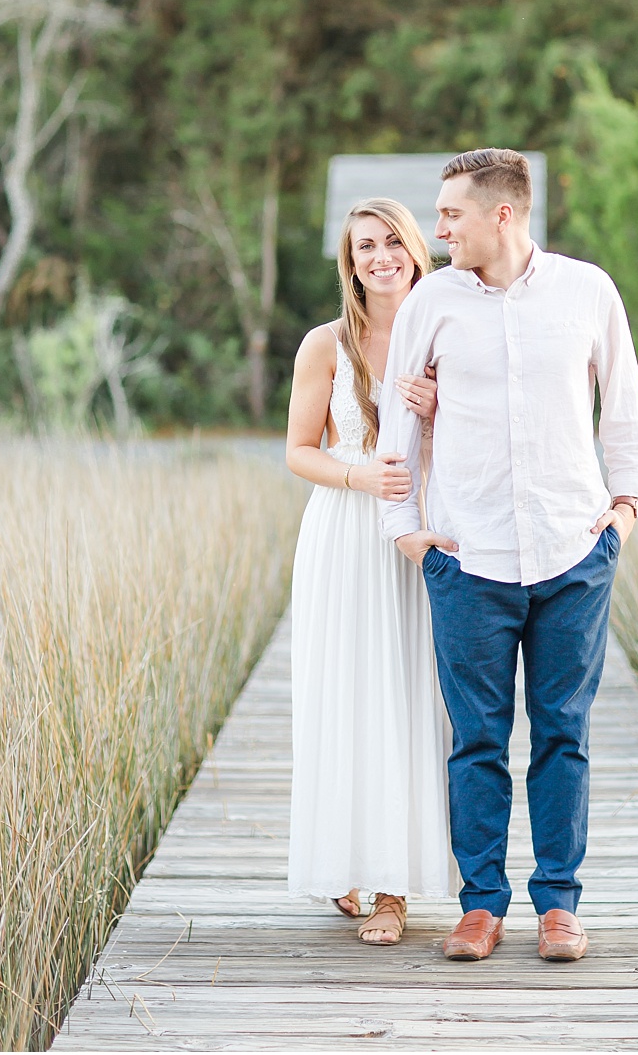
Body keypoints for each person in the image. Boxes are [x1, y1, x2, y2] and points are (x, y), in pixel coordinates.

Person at [375, 147, 638, 966]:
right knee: (478, 740)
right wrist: (408, 531)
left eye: (451, 213)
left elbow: (624, 408)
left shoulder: (588, 291)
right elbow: (399, 417)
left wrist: (622, 516)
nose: (438, 228)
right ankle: (481, 905)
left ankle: (559, 905)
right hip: (469, 556)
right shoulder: (433, 301)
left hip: (574, 553)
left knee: (564, 732)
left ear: (503, 213)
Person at [284, 196, 457, 945]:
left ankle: (395, 891)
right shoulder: (326, 344)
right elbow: (297, 449)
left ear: (417, 248)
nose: (380, 256)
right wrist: (360, 478)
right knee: (346, 696)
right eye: (364, 247)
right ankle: (345, 863)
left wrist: (442, 404)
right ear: (349, 263)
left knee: (412, 699)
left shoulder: (451, 333)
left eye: (393, 241)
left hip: (423, 537)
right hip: (346, 536)